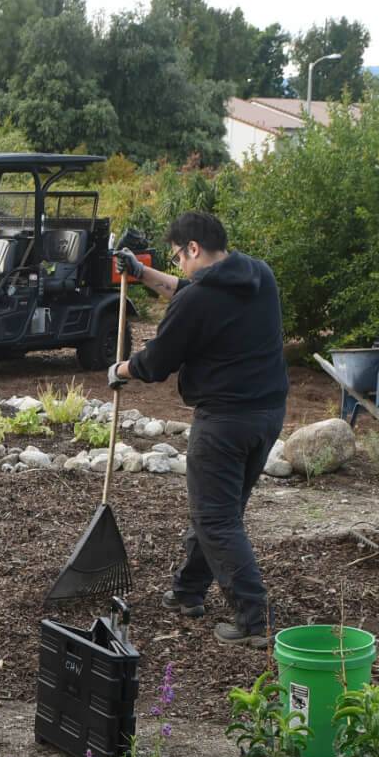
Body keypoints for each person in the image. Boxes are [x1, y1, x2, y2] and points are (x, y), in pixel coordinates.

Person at [111, 211, 288, 649]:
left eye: (177, 257)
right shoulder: (258, 275)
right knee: (219, 511)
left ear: (193, 248)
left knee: (216, 517)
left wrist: (120, 368)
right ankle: (188, 591)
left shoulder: (197, 301)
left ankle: (253, 618)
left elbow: (154, 363)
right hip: (267, 413)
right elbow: (190, 289)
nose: (178, 268)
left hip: (225, 421)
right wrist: (141, 272)